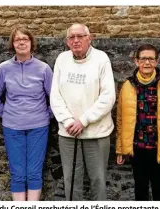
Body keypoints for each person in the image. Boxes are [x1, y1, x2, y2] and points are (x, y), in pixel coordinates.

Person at [50, 23, 116, 200]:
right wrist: (68, 121)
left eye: (80, 36)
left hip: (96, 133)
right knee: (71, 182)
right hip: (68, 132)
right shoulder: (62, 59)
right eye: (72, 37)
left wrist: (84, 120)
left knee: (98, 181)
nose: (76, 40)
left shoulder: (101, 59)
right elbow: (55, 95)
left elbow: (108, 96)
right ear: (67, 41)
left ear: (90, 38)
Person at [0, 27, 53, 201]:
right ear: (12, 44)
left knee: (34, 172)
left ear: (31, 43)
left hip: (38, 127)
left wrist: (46, 115)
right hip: (12, 128)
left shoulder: (43, 69)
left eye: (25, 39)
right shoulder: (4, 68)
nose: (22, 42)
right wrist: (8, 114)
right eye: (17, 39)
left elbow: (55, 99)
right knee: (17, 173)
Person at [116, 44, 160, 201]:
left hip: (159, 147)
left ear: (157, 61)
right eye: (143, 59)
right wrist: (121, 148)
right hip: (137, 148)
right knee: (140, 189)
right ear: (136, 61)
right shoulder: (127, 86)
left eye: (151, 59)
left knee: (159, 188)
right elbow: (121, 119)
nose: (147, 63)